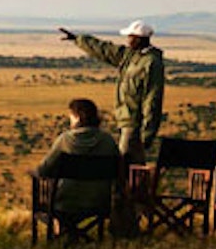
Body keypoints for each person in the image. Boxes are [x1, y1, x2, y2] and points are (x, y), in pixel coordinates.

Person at [58, 20, 165, 165]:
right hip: (126, 120)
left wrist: (147, 133)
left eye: (131, 37)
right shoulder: (131, 56)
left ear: (139, 38)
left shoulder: (151, 62)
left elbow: (152, 98)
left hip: (134, 124)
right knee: (130, 165)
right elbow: (105, 50)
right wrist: (78, 40)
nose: (128, 40)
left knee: (124, 165)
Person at [33, 98, 121, 216]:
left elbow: (43, 170)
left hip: (66, 203)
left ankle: (61, 228)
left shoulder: (65, 140)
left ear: (78, 117)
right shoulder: (108, 140)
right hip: (99, 202)